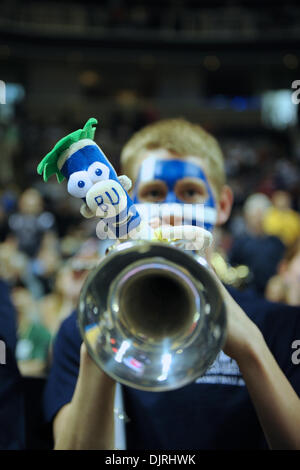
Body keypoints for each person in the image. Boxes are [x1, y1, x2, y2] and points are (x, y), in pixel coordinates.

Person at [43, 118, 300, 450]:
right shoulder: (80, 331)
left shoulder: (282, 325)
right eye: (152, 194)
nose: (171, 211)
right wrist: (101, 343)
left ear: (222, 206)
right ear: (125, 200)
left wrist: (251, 346)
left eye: (190, 193)